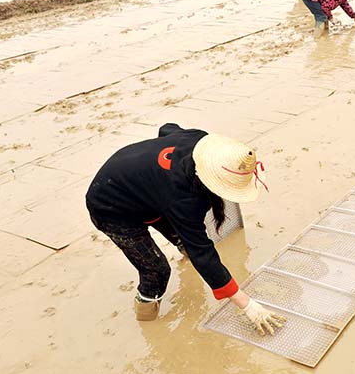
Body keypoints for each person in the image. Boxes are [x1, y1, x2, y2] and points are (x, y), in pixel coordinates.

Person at [86, 123, 286, 335]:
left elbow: (167, 129)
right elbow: (203, 252)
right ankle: (148, 325)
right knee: (157, 270)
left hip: (148, 191)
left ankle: (187, 271)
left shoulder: (199, 142)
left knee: (183, 240)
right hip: (111, 206)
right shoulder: (184, 201)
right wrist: (247, 305)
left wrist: (153, 172)